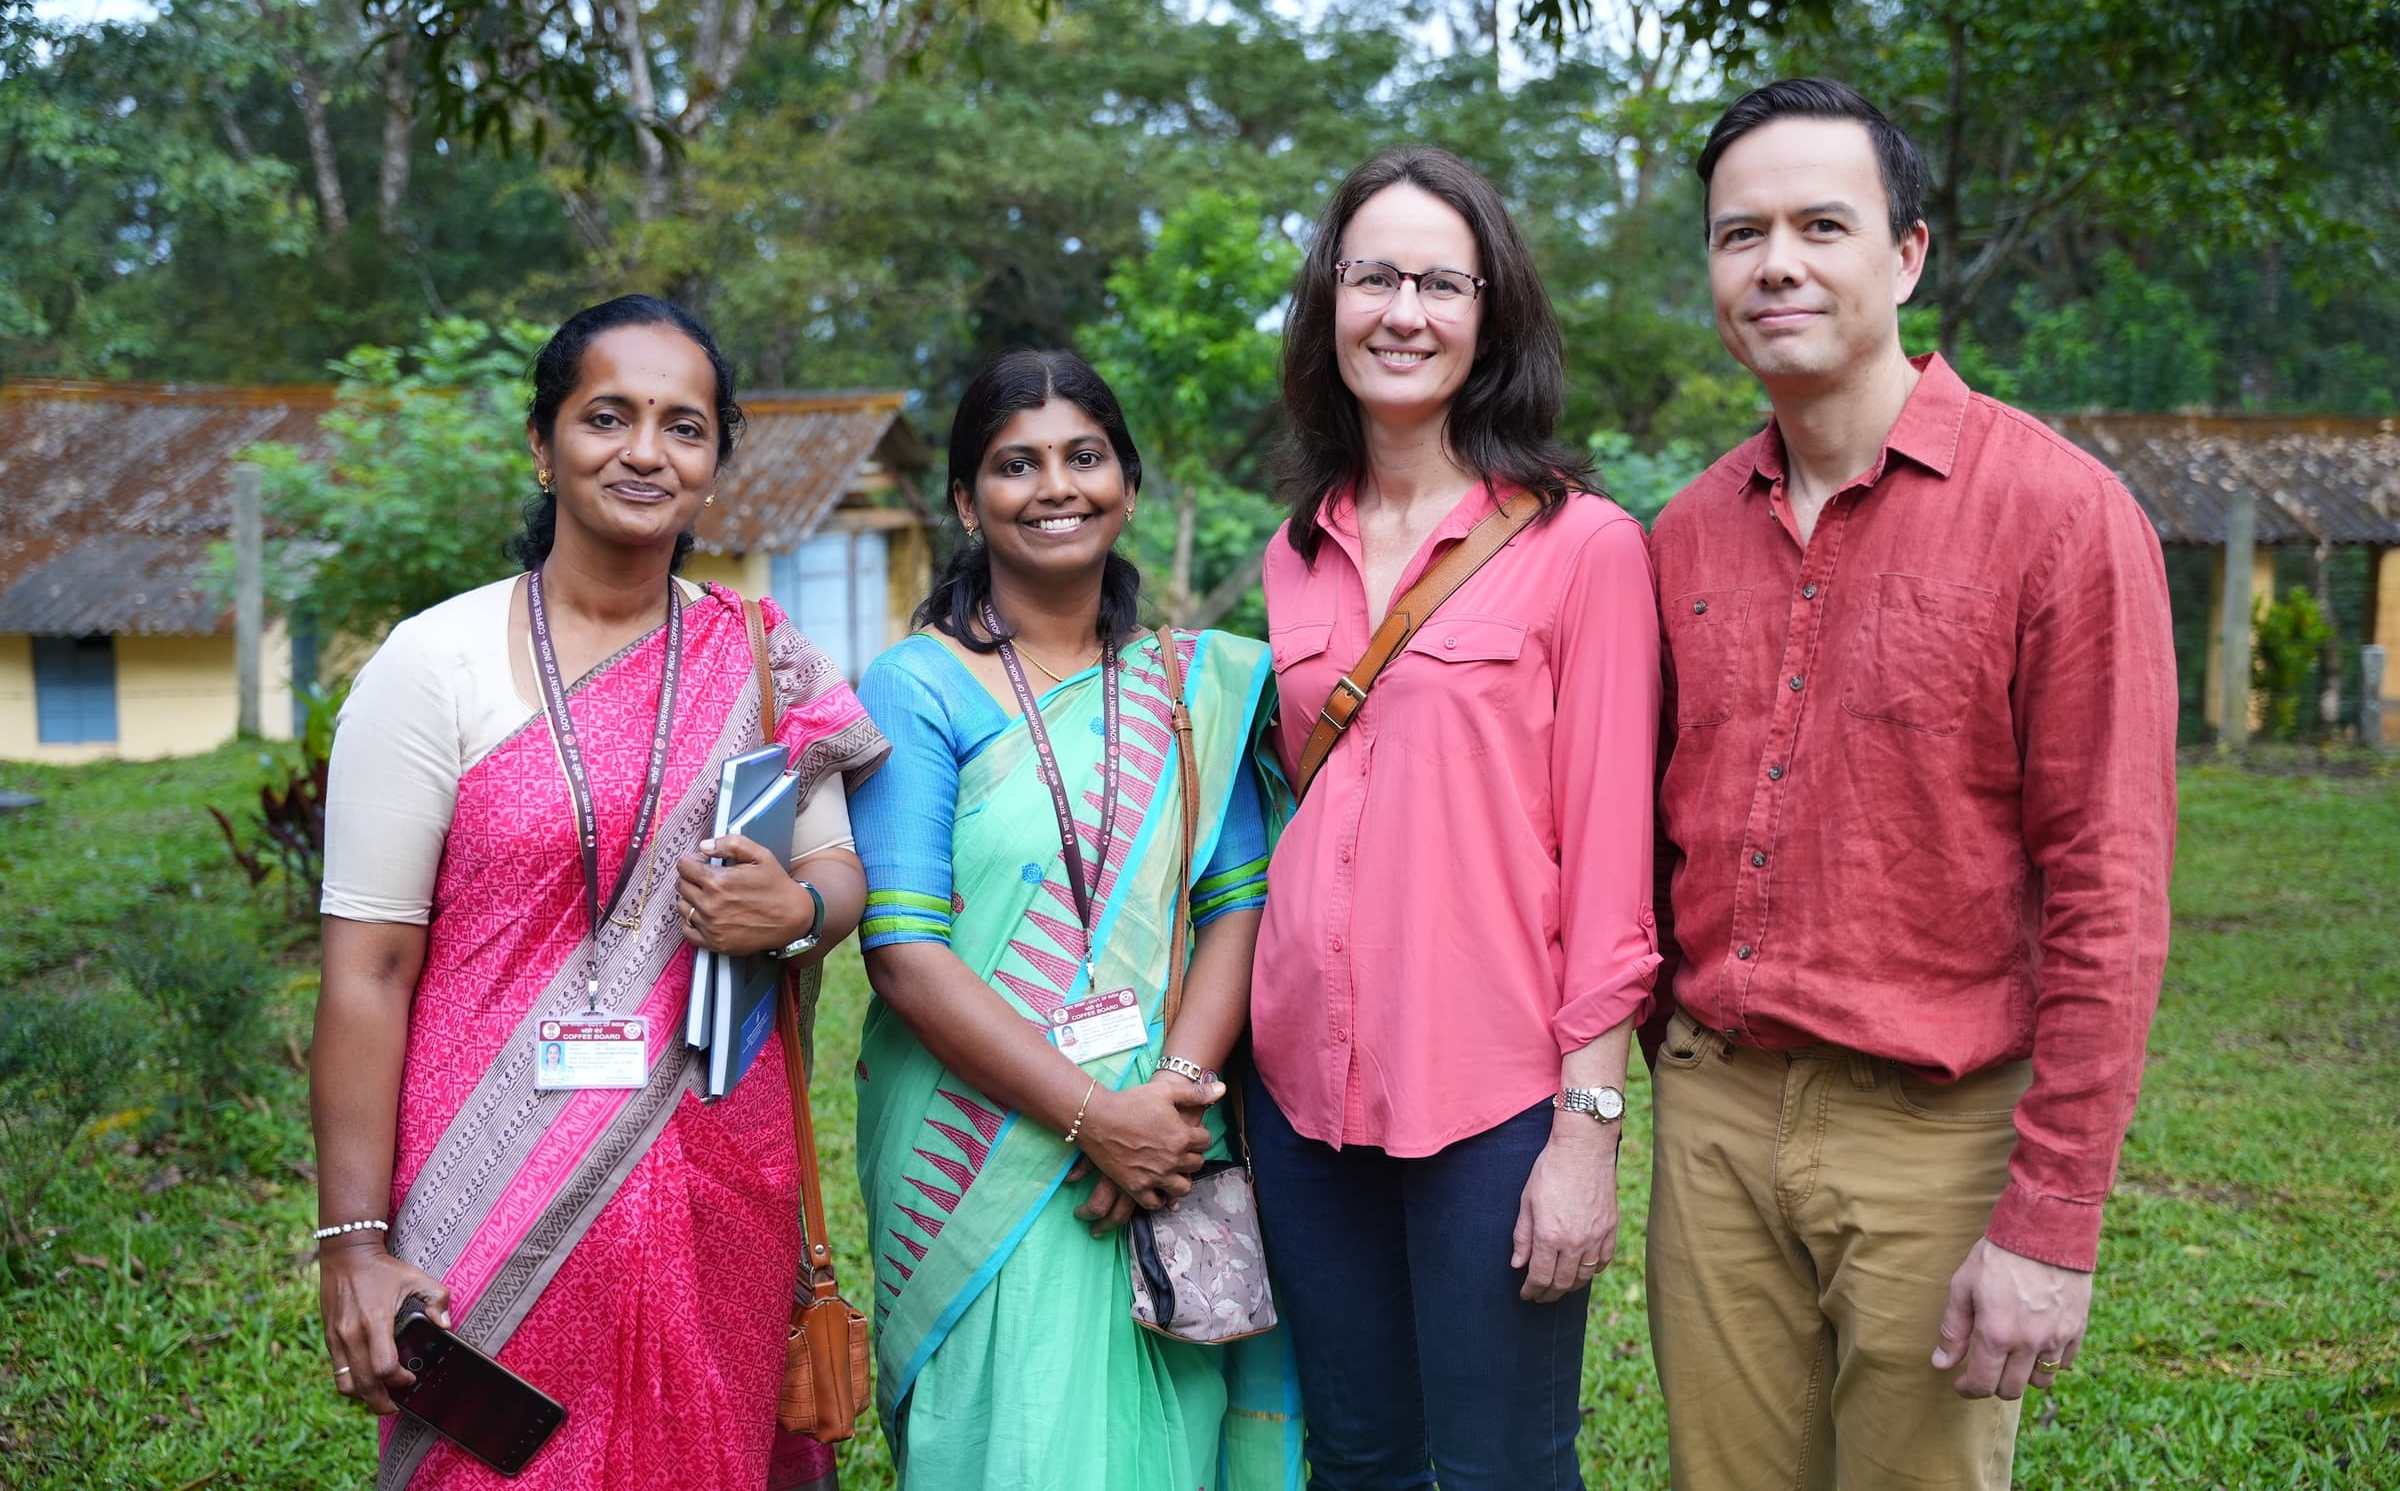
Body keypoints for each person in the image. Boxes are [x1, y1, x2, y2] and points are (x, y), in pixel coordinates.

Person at [1644, 77, 2177, 1490]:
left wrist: (2051, 1224)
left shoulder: (2061, 518)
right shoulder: (1682, 536)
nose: (1777, 264)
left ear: (1908, 253)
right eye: (1738, 233)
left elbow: (2109, 895)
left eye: (1823, 223)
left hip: (1935, 1134)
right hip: (1714, 1116)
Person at [311, 294, 890, 1491]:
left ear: (718, 458)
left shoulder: (761, 657)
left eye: (683, 425)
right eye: (607, 416)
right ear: (544, 443)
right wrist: (354, 1245)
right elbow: (366, 970)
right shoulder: (435, 665)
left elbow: (841, 872)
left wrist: (800, 912)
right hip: (490, 1184)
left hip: (722, 1174)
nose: (645, 450)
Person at [1249, 146, 1662, 1490]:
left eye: (1441, 280)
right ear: (1329, 303)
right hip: (1304, 1094)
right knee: (1357, 1460)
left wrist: (1586, 1138)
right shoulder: (1293, 546)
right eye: (1374, 276)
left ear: (1491, 315)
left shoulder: (1583, 547)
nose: (1404, 312)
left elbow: (1611, 866)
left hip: (1494, 1100)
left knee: (1503, 1469)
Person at [847, 349, 1303, 1491]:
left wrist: (1171, 1105)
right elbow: (903, 952)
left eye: (1084, 456)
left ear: (1128, 485)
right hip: (986, 1145)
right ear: (967, 500)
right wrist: (1094, 1116)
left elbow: (1237, 902)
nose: (1056, 485)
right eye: (1017, 464)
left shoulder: (1187, 687)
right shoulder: (916, 686)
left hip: (1162, 1146)